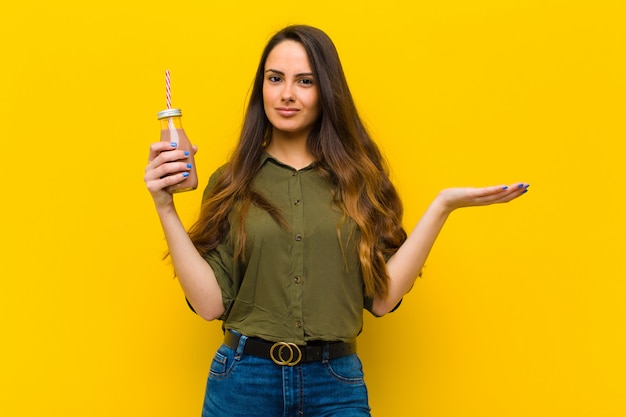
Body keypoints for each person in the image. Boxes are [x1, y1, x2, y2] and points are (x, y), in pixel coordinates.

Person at [144, 25, 529, 417]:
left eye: (305, 81)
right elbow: (209, 305)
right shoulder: (231, 181)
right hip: (244, 383)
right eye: (275, 79)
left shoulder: (361, 181)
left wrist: (443, 206)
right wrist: (165, 207)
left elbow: (382, 300)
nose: (287, 94)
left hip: (335, 384)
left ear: (326, 91)